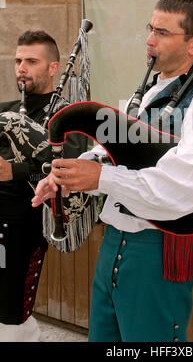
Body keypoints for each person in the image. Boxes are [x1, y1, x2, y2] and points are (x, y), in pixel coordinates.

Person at [32, 0, 193, 342]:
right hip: (113, 242)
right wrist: (71, 176)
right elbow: (110, 155)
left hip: (157, 250)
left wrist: (103, 177)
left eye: (162, 32)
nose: (149, 39)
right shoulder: (143, 98)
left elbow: (184, 187)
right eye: (149, 28)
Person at [0, 30, 86, 342]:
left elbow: (70, 172)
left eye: (31, 61)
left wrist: (15, 171)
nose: (21, 67)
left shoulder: (69, 115)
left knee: (12, 317)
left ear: (53, 68)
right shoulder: (4, 109)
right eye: (18, 60)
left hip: (24, 229)